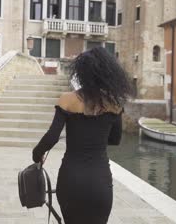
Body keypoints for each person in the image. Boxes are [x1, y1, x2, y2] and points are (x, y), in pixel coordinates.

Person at [32, 47, 134, 224]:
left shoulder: (67, 99)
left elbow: (52, 137)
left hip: (71, 179)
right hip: (100, 180)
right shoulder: (115, 104)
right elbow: (115, 140)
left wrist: (37, 154)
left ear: (82, 72)